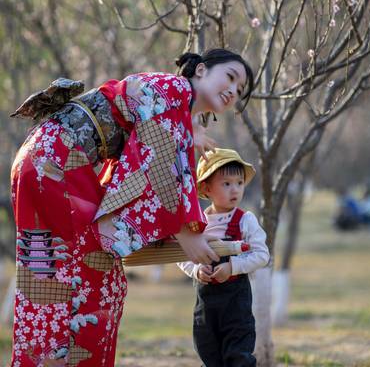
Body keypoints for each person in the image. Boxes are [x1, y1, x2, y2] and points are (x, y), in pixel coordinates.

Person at [9, 49, 254, 366]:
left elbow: (150, 159)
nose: (234, 90)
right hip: (59, 162)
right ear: (202, 71)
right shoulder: (175, 90)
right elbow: (158, 162)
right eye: (231, 77)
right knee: (98, 278)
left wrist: (189, 132)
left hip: (39, 160)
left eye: (240, 90)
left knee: (46, 273)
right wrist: (186, 231)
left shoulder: (175, 104)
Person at [178, 148, 270, 367]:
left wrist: (233, 267)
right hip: (206, 305)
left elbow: (262, 255)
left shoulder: (245, 220)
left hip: (235, 303)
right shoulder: (197, 222)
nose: (235, 189)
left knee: (238, 355)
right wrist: (196, 270)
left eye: (239, 183)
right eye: (226, 184)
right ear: (206, 189)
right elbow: (182, 254)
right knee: (208, 350)